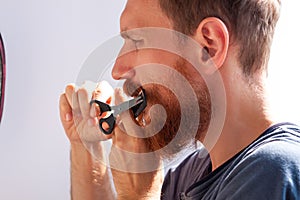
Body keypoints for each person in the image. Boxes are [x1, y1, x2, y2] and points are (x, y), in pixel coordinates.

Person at [59, 0, 300, 199]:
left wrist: (140, 196)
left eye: (136, 41)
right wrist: (86, 148)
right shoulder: (192, 174)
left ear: (209, 46)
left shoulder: (271, 173)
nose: (118, 71)